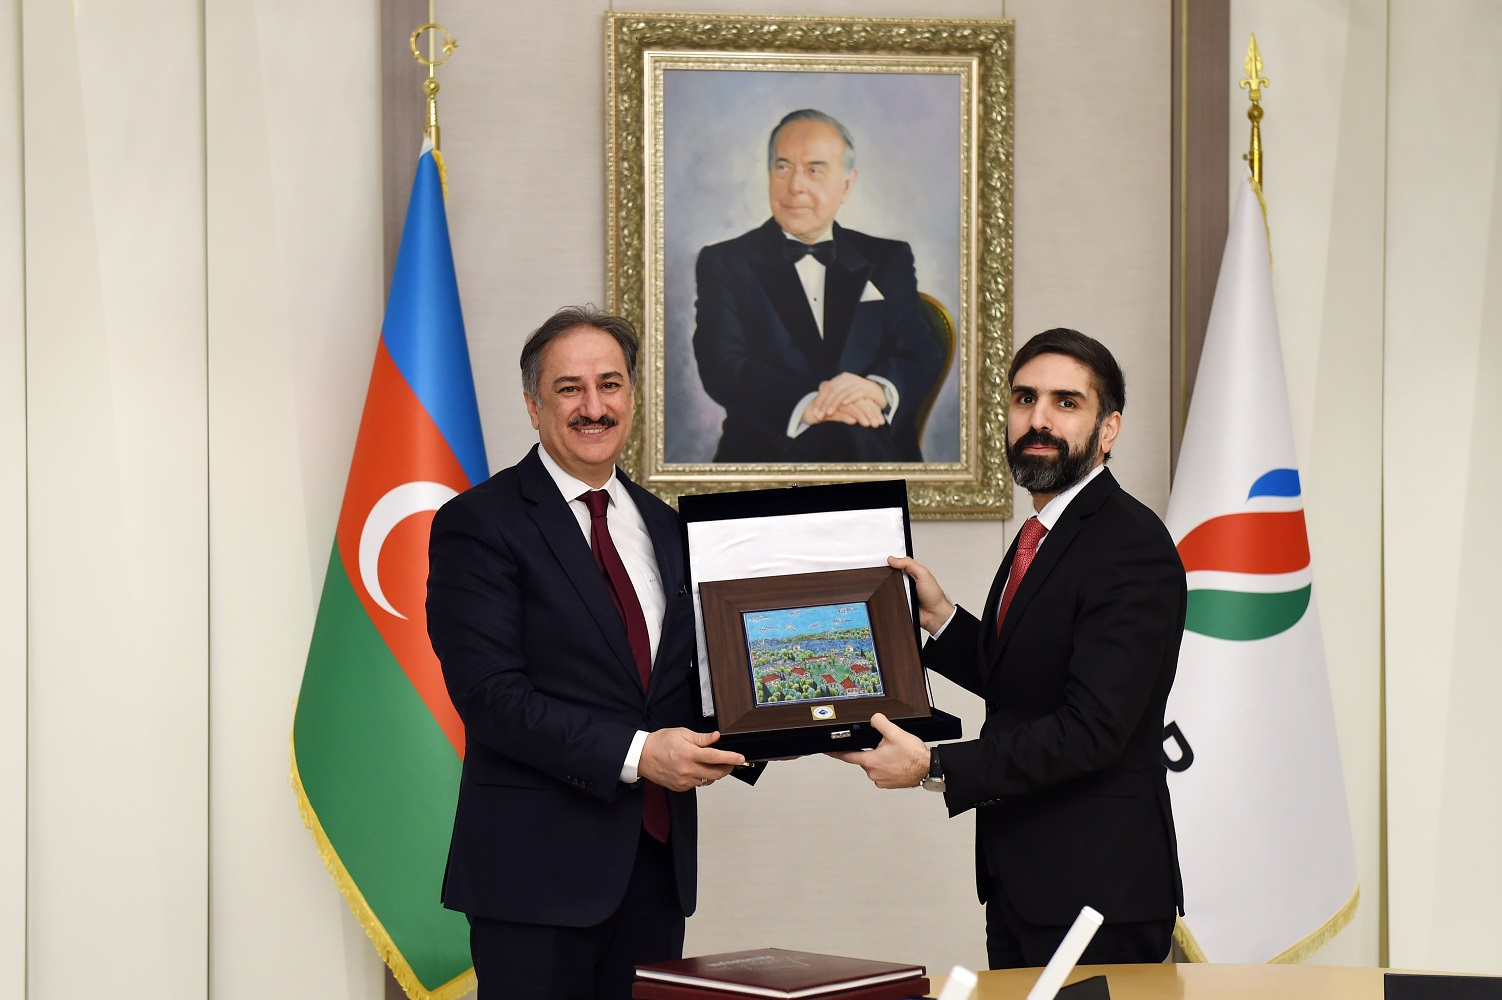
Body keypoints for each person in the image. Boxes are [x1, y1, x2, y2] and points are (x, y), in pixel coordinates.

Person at [832, 328, 1186, 968]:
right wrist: (941, 619)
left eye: (1066, 402)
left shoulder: (1130, 544)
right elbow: (1028, 681)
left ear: (1108, 429)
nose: (1038, 419)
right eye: (1025, 398)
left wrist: (934, 765)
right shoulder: (1039, 533)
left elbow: (1092, 730)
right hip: (1023, 880)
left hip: (1097, 896)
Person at [426, 306, 748, 999]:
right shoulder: (478, 524)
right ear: (533, 405)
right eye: (569, 388)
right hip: (534, 882)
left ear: (632, 396)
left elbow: (691, 682)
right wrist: (639, 754)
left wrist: (794, 721)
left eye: (610, 385)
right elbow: (490, 697)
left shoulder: (668, 527)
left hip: (654, 870)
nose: (594, 407)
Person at [693, 108, 945, 463]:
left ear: (847, 184)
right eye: (783, 167)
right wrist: (808, 405)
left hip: (874, 452)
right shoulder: (724, 262)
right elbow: (721, 363)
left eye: (814, 170)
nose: (795, 185)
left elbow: (919, 351)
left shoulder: (889, 258)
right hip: (769, 455)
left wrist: (876, 389)